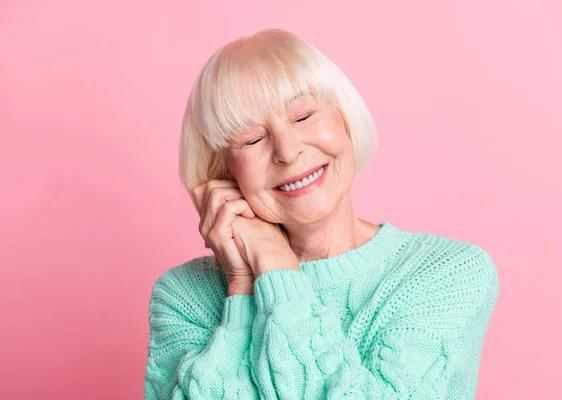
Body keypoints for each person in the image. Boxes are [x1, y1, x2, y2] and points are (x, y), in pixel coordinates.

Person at [144, 28, 499, 400]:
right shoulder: (183, 296)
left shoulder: (448, 273)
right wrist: (243, 286)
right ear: (224, 172)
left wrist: (278, 267)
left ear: (344, 120)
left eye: (304, 115)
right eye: (251, 139)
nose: (287, 150)